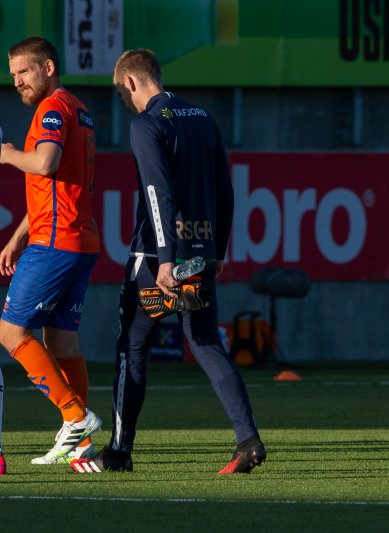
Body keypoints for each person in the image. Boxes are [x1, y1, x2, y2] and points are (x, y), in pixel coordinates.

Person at [71, 49, 265, 474]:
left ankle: (119, 453)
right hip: (200, 254)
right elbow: (226, 191)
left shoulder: (145, 123)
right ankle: (248, 440)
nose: (123, 99)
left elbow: (159, 194)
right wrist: (217, 252)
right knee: (206, 343)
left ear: (132, 82)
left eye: (121, 92)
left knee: (132, 347)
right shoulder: (202, 117)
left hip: (155, 261)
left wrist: (164, 261)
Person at [0, 37, 102, 467]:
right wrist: (19, 234)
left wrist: (6, 155)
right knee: (61, 341)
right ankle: (80, 447)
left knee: (10, 333)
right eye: (13, 75)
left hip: (56, 243)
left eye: (24, 71)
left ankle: (75, 417)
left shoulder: (52, 109)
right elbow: (54, 185)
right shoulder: (79, 108)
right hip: (77, 240)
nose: (17, 81)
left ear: (48, 66)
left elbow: (45, 163)